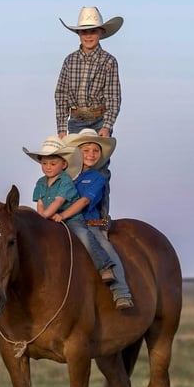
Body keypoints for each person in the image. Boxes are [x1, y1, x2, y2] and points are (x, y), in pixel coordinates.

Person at [55, 6, 123, 225]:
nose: (89, 35)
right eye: (85, 31)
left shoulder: (108, 61)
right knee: (72, 166)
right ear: (78, 34)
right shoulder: (69, 61)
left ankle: (101, 216)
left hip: (98, 118)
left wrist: (107, 126)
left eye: (93, 31)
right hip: (75, 120)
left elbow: (113, 96)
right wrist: (61, 128)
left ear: (101, 32)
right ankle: (71, 212)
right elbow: (61, 94)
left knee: (99, 167)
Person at [23, 136, 117, 287]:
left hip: (80, 219)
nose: (48, 167)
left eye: (53, 163)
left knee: (86, 236)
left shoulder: (70, 179)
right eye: (44, 163)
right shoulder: (42, 181)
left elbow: (62, 201)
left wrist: (50, 215)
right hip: (52, 217)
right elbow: (40, 202)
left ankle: (106, 268)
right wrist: (41, 217)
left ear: (64, 164)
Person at [56, 129, 134, 310]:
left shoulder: (97, 178)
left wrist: (64, 215)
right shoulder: (65, 176)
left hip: (87, 223)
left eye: (95, 151)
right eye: (86, 150)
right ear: (76, 152)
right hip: (60, 222)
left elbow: (86, 202)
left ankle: (121, 291)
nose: (91, 154)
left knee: (106, 248)